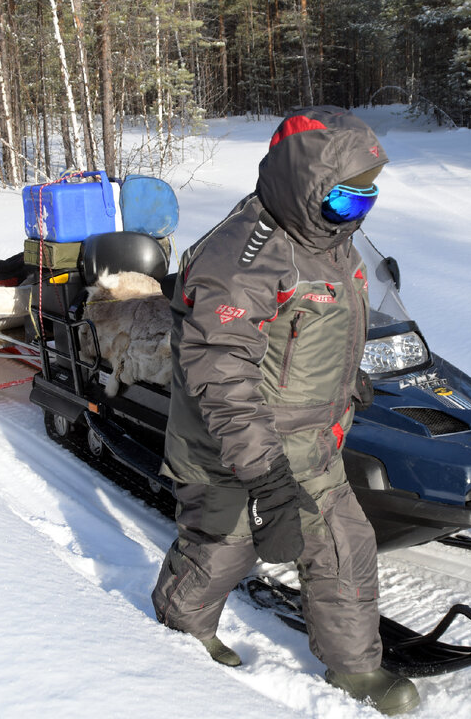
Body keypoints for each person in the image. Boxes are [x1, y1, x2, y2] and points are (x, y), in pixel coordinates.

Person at [151, 106, 420, 715]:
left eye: (365, 204)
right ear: (306, 186)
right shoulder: (241, 258)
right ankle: (177, 626)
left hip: (311, 442)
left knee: (343, 545)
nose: (353, 218)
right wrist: (266, 477)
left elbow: (320, 330)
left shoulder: (330, 243)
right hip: (235, 449)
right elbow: (220, 372)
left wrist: (348, 380)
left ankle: (357, 670)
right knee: (225, 547)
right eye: (344, 203)